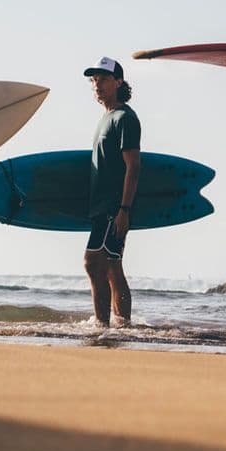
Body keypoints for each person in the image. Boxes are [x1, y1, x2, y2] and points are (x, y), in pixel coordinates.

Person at [83, 56, 141, 327]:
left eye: (103, 79)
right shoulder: (106, 118)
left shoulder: (124, 118)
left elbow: (133, 167)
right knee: (112, 267)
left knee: (93, 263)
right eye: (94, 80)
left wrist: (124, 210)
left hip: (113, 208)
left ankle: (102, 325)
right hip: (103, 207)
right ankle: (122, 326)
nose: (97, 85)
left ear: (118, 82)